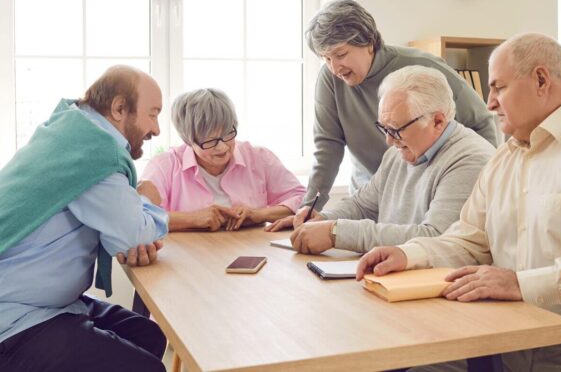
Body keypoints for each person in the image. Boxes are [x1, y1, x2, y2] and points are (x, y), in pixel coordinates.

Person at [356, 33, 561, 371]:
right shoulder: (503, 160)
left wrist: (520, 283)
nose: (489, 103)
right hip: (507, 342)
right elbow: (469, 240)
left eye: (498, 87)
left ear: (541, 79)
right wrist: (409, 255)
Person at [0, 65, 169, 371]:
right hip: (16, 319)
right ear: (119, 108)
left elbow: (120, 232)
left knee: (148, 334)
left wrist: (134, 213)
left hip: (48, 304)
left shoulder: (71, 134)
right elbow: (133, 237)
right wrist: (147, 198)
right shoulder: (94, 152)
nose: (156, 129)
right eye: (153, 113)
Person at [268, 66, 494, 256]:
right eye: (384, 128)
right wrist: (320, 220)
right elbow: (363, 205)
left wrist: (335, 232)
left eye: (396, 129)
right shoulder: (400, 151)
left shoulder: (470, 159)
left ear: (437, 121)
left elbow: (434, 237)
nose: (388, 140)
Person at [303, 0, 497, 210]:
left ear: (368, 42)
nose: (334, 68)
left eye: (340, 55)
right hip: (368, 201)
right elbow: (327, 146)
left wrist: (481, 194)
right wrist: (310, 207)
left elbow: (481, 123)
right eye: (326, 59)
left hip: (426, 200)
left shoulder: (424, 67)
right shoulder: (330, 80)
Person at [139, 88, 306, 232]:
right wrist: (192, 219)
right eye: (210, 141)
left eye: (227, 134)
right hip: (188, 259)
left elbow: (301, 200)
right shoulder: (164, 166)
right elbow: (141, 217)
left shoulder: (259, 158)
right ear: (188, 140)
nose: (222, 147)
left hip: (251, 251)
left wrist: (259, 215)